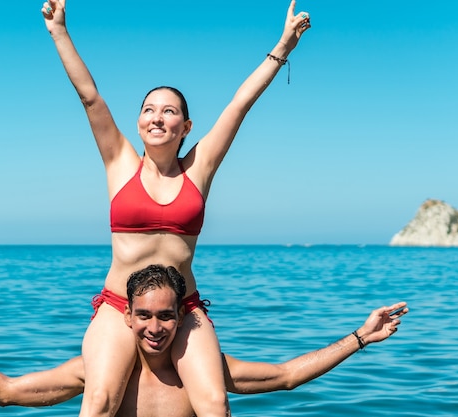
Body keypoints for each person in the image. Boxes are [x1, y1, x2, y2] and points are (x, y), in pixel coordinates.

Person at [40, 0, 312, 415]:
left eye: (169, 111)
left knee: (215, 402)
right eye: (148, 110)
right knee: (98, 403)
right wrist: (59, 31)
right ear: (137, 122)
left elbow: (239, 105)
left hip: (182, 309)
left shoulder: (198, 169)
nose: (156, 117)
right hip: (119, 307)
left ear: (185, 127)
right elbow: (90, 98)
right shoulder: (119, 163)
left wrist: (283, 48)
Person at [0, 264, 408, 417]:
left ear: (182, 318)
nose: (155, 327)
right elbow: (8, 392)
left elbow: (288, 376)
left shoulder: (204, 379)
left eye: (165, 316)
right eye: (144, 316)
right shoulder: (99, 376)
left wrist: (361, 336)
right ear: (127, 319)